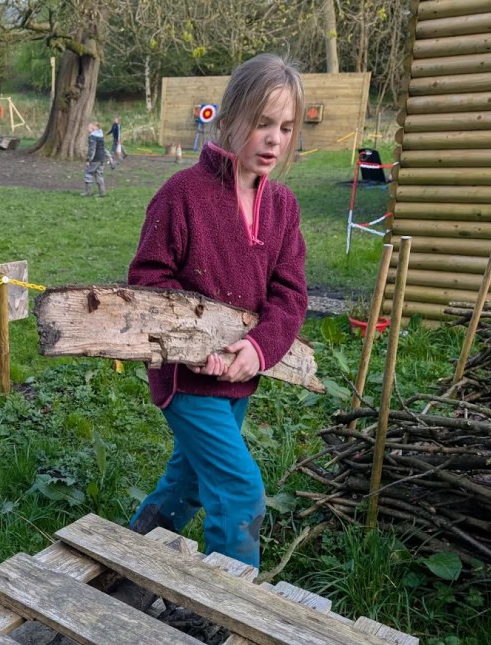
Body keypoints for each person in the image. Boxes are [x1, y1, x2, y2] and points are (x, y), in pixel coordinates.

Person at [126, 53, 307, 569]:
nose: (274, 139)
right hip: (187, 380)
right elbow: (148, 282)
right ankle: (220, 613)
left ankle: (131, 556)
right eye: (261, 123)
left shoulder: (283, 207)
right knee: (240, 491)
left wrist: (259, 349)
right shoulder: (181, 196)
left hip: (239, 377)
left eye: (285, 127)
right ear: (227, 120)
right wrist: (195, 347)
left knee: (188, 484)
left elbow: (290, 293)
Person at [83, 121, 109, 197]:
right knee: (99, 175)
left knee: (88, 173)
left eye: (89, 127)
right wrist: (108, 157)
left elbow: (92, 150)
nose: (88, 129)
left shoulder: (93, 137)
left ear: (93, 128)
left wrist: (88, 159)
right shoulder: (101, 136)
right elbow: (104, 148)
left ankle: (88, 192)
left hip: (95, 159)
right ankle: (102, 193)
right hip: (102, 158)